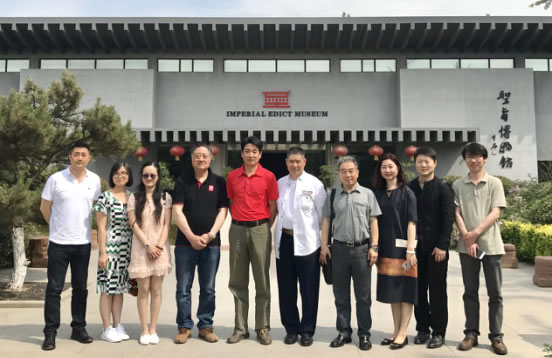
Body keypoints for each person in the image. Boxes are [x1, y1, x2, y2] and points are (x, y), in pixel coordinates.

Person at [40, 140, 101, 351]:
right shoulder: (56, 179)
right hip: (59, 243)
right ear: (70, 156)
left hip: (83, 244)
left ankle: (78, 328)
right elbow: (44, 207)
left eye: (84, 154)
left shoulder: (94, 180)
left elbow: (94, 208)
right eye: (76, 154)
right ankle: (50, 332)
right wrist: (56, 227)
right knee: (54, 289)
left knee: (80, 288)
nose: (80, 158)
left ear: (89, 158)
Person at [320, 155, 381, 351]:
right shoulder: (332, 195)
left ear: (357, 173)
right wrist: (324, 246)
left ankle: (364, 333)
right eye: (343, 171)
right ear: (339, 173)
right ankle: (344, 331)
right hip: (338, 249)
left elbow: (374, 222)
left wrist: (374, 247)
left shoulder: (368, 194)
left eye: (351, 171)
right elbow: (326, 222)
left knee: (363, 296)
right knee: (341, 294)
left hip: (362, 250)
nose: (347, 174)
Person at [453, 143, 508, 355]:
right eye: (469, 156)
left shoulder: (494, 183)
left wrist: (474, 234)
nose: (473, 160)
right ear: (465, 159)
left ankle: (496, 336)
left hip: (491, 245)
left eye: (477, 156)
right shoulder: (458, 184)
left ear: (484, 158)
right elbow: (456, 213)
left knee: (495, 293)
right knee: (470, 292)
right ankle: (471, 334)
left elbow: (496, 212)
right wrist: (468, 238)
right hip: (468, 248)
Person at [172, 143, 229, 344]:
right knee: (183, 287)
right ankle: (184, 326)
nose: (201, 159)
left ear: (211, 158)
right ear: (192, 158)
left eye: (205, 156)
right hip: (184, 245)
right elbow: (177, 211)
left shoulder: (219, 182)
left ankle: (205, 325)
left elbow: (223, 211)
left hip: (211, 245)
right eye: (197, 156)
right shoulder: (182, 181)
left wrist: (210, 235)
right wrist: (191, 237)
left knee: (208, 288)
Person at [226, 136, 278, 345]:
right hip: (237, 229)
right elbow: (230, 202)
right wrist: (240, 221)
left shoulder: (268, 176)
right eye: (247, 151)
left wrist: (264, 227)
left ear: (260, 154)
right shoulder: (232, 177)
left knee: (262, 281)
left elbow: (273, 207)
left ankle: (262, 327)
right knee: (237, 281)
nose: (250, 154)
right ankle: (240, 328)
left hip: (260, 229)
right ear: (241, 153)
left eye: (254, 151)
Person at [275, 146, 326, 346]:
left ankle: (307, 330)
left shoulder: (315, 184)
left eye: (298, 161)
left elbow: (323, 217)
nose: (294, 165)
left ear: (304, 162)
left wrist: (323, 245)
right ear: (286, 163)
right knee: (286, 289)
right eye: (291, 161)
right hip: (285, 241)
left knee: (309, 289)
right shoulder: (280, 184)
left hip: (308, 243)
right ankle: (291, 328)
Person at [408, 147, 455, 349]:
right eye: (420, 161)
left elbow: (448, 218)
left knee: (437, 291)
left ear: (434, 163)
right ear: (415, 164)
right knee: (418, 290)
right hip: (416, 249)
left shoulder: (443, 187)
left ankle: (438, 331)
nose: (424, 165)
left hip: (437, 250)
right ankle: (422, 328)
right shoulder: (410, 187)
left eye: (427, 161)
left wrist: (442, 245)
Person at [373, 153, 418, 350]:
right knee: (392, 291)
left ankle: (403, 333)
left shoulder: (407, 193)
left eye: (391, 166)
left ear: (398, 168)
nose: (388, 170)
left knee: (406, 290)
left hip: (404, 251)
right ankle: (395, 330)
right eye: (384, 167)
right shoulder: (378, 194)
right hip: (385, 250)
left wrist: (411, 249)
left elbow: (411, 222)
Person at [127, 161, 173, 345]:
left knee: (156, 290)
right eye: (145, 175)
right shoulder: (134, 197)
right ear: (141, 177)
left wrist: (159, 246)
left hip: (160, 250)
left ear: (158, 177)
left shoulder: (164, 197)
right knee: (143, 290)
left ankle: (153, 328)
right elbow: (133, 224)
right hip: (141, 248)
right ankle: (144, 329)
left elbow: (166, 224)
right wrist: (148, 245)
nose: (149, 178)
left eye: (152, 175)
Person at [93, 161, 134, 343]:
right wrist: (103, 252)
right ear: (112, 175)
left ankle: (118, 325)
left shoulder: (132, 197)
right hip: (110, 248)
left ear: (129, 176)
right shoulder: (104, 198)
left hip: (127, 249)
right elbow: (101, 228)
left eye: (124, 173)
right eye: (117, 173)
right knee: (107, 289)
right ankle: (106, 328)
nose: (120, 176)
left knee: (119, 289)